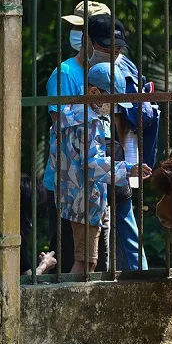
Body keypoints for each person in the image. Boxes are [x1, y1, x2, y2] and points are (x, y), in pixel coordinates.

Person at [50, 60, 152, 273]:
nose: (113, 109)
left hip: (69, 196)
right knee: (86, 263)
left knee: (84, 259)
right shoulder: (91, 122)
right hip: (87, 200)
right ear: (94, 92)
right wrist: (128, 169)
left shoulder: (67, 116)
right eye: (112, 103)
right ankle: (74, 303)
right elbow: (92, 164)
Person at [43, 1, 112, 273]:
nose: (78, 34)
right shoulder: (65, 73)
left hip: (99, 183)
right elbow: (65, 131)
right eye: (76, 28)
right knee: (70, 262)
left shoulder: (113, 71)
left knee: (98, 264)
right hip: (69, 185)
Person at [85, 14, 155, 271]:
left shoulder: (127, 68)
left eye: (117, 47)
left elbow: (140, 112)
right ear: (89, 42)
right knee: (91, 240)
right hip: (91, 167)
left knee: (125, 224)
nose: (114, 52)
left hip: (120, 154)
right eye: (107, 46)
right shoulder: (71, 72)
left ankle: (141, 275)